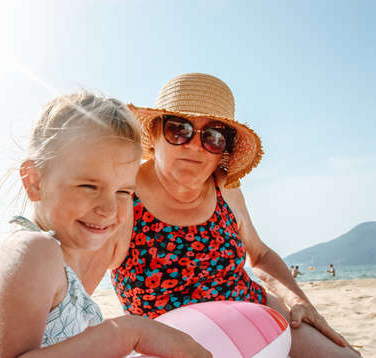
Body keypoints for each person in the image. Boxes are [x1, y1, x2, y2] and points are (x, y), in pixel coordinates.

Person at [109, 73, 360, 357]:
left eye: (213, 137)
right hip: (172, 343)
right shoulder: (121, 195)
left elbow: (260, 256)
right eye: (179, 129)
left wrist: (298, 300)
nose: (194, 145)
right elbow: (73, 279)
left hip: (258, 313)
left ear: (223, 151)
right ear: (155, 133)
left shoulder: (225, 189)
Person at [0, 91, 211, 358]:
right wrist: (129, 332)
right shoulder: (33, 251)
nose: (109, 209)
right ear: (34, 181)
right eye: (89, 186)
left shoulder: (64, 265)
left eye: (124, 192)